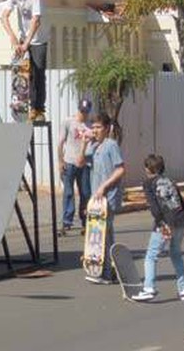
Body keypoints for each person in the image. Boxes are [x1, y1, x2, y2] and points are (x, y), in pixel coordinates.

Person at [132, 154, 184, 301]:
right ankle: (183, 290)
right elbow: (183, 204)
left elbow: (155, 209)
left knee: (151, 255)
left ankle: (149, 288)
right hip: (179, 221)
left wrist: (162, 224)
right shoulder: (170, 181)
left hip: (164, 223)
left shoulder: (149, 183)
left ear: (148, 169)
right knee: (176, 254)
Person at [78, 112, 125, 284]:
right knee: (103, 235)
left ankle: (106, 273)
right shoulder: (94, 146)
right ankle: (110, 271)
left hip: (108, 197)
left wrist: (104, 186)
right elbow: (79, 162)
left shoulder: (111, 145)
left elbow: (120, 169)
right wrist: (84, 144)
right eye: (94, 127)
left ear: (106, 129)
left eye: (98, 127)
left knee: (104, 234)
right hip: (96, 198)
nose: (95, 130)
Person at [1, 0, 49, 122]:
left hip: (38, 39)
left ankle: (38, 109)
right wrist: (13, 39)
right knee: (22, 71)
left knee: (38, 72)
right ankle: (21, 103)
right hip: (23, 39)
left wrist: (26, 43)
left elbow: (36, 21)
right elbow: (4, 17)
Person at [58, 99, 93, 234]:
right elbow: (61, 142)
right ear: (78, 109)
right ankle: (67, 222)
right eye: (81, 111)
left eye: (86, 112)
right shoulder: (68, 122)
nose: (83, 114)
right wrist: (60, 161)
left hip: (84, 164)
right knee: (68, 192)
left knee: (85, 192)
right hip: (69, 161)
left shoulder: (90, 125)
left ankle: (85, 221)